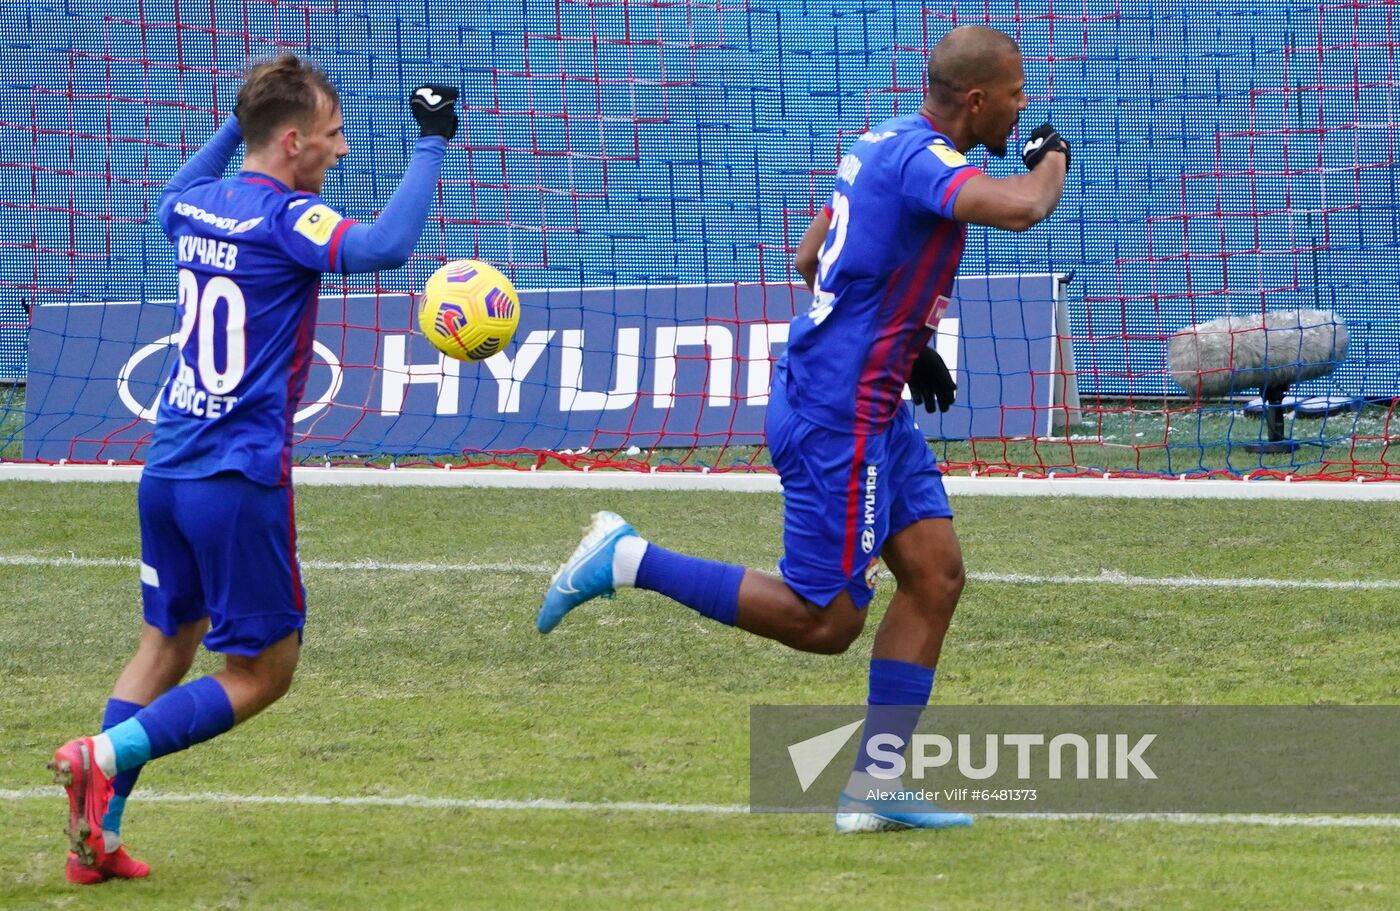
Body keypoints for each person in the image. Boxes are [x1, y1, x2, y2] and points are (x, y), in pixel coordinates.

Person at [536, 25, 1069, 833]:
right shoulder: (927, 160)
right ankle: (628, 557)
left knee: (936, 575)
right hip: (837, 412)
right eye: (1017, 93)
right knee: (826, 620)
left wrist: (902, 340)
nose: (1023, 105)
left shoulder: (881, 140)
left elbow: (809, 253)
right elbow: (1027, 209)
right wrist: (1052, 154)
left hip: (868, 396)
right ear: (977, 99)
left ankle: (874, 787)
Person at [48, 54, 460, 883]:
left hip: (165, 469)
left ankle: (97, 841)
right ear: (296, 141)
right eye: (336, 136)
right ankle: (105, 752)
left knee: (165, 641)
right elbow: (385, 246)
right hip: (236, 481)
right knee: (264, 671)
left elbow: (170, 190)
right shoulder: (289, 220)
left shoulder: (195, 204)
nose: (342, 152)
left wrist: (238, 120)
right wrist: (434, 140)